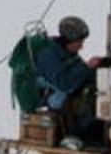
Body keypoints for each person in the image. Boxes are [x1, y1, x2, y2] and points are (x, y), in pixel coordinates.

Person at [35, 16, 102, 145]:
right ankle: (79, 136)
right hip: (52, 96)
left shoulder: (68, 52)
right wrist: (87, 67)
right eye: (79, 42)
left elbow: (80, 71)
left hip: (66, 93)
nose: (81, 47)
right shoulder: (48, 55)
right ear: (69, 41)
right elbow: (63, 83)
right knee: (88, 100)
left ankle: (97, 134)